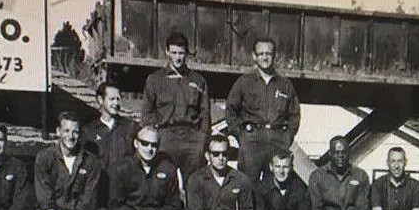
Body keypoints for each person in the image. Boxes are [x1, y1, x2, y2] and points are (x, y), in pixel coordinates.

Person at [225, 36, 301, 183]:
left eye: (268, 54)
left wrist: (286, 137)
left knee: (274, 185)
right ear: (254, 56)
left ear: (274, 56)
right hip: (251, 141)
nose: (265, 58)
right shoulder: (244, 82)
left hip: (277, 140)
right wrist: (241, 135)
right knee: (247, 184)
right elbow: (230, 110)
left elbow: (294, 114)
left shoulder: (285, 85)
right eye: (261, 54)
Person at [141, 32, 211, 181]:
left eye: (181, 53)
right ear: (167, 52)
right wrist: (153, 136)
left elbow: (205, 113)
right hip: (166, 136)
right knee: (163, 179)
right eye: (174, 52)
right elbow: (147, 112)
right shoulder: (155, 79)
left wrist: (201, 139)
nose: (178, 57)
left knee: (193, 182)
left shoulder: (198, 80)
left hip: (191, 138)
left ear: (186, 54)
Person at [81, 81, 139, 174]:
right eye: (112, 99)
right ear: (100, 100)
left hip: (124, 184)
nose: (116, 103)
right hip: (99, 184)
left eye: (118, 99)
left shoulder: (130, 127)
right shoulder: (89, 130)